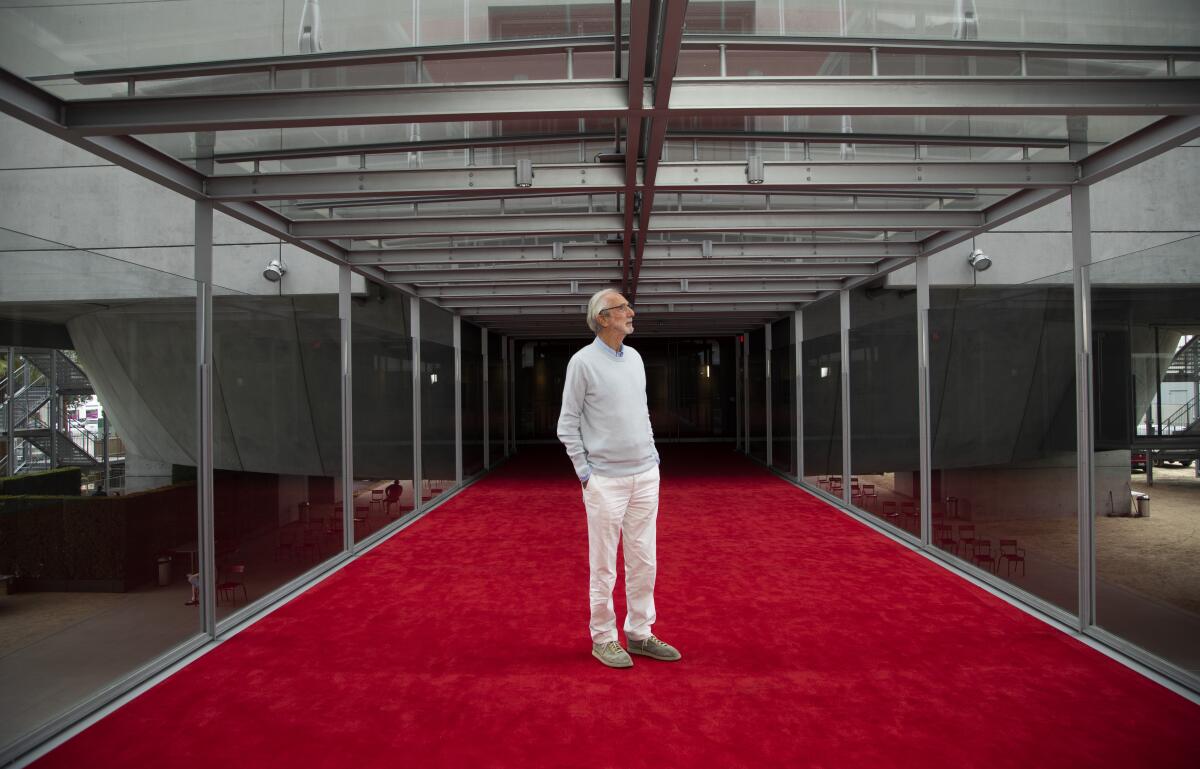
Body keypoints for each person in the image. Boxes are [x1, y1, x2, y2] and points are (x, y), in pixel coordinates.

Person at [557, 288, 681, 669]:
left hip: (645, 474)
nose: (631, 312)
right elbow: (568, 423)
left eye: (628, 306)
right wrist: (585, 473)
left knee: (645, 559)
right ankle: (604, 638)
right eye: (622, 308)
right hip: (605, 481)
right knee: (604, 564)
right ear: (602, 319)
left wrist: (652, 453)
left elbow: (641, 411)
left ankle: (640, 633)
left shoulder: (636, 359)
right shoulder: (582, 362)